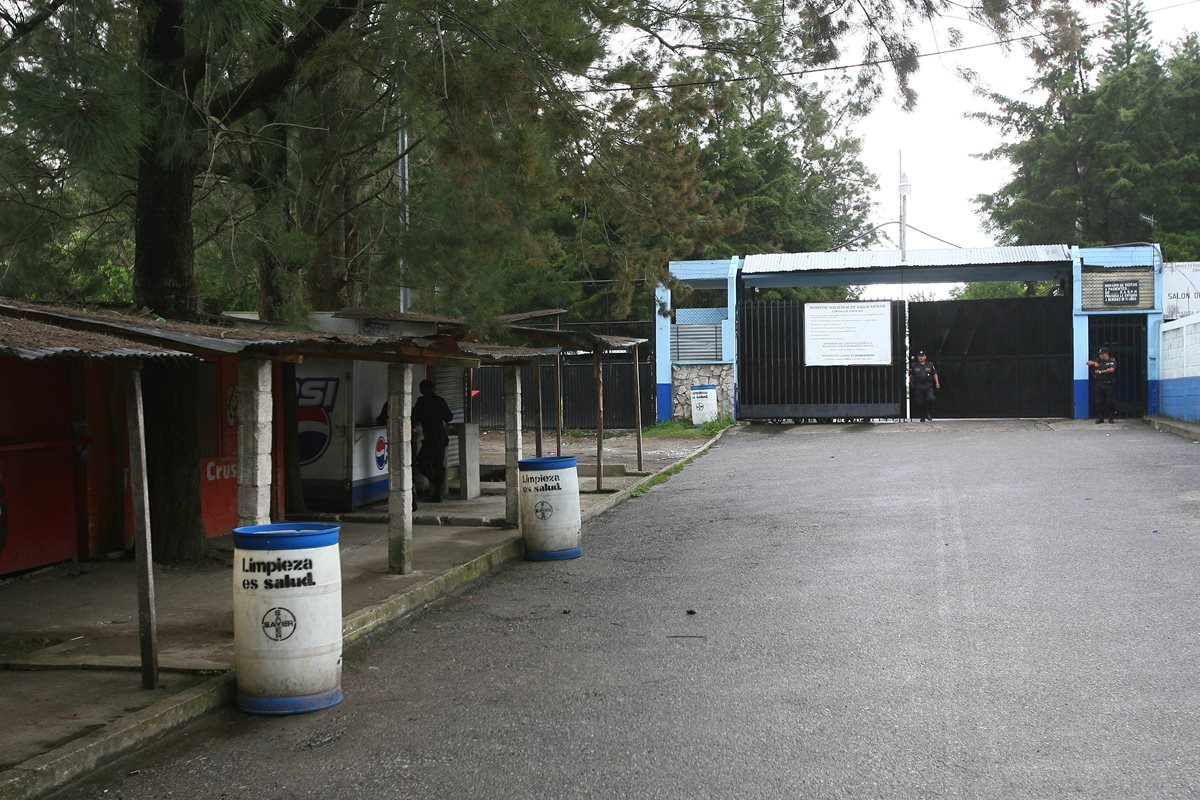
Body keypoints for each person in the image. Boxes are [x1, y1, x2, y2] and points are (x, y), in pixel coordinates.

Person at [412, 379, 453, 501]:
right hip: (441, 438)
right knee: (438, 465)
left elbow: (415, 417)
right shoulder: (440, 400)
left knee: (421, 463)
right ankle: (438, 493)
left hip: (431, 438)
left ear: (422, 390)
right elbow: (449, 417)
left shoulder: (422, 401)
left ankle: (437, 485)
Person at [1086, 347, 1117, 424]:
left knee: (1110, 402)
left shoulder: (1111, 360)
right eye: (1100, 354)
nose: (1100, 356)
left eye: (1101, 354)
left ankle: (1111, 418)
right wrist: (1094, 363)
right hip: (1099, 383)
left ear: (1106, 354)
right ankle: (1100, 418)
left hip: (1109, 384)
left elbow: (1111, 369)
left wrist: (1100, 371)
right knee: (1099, 401)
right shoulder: (1098, 360)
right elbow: (1088, 362)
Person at [909, 350, 940, 422]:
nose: (921, 358)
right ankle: (922, 416)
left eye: (922, 356)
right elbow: (911, 375)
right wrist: (911, 383)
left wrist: (937, 383)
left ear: (925, 357)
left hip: (928, 385)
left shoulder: (930, 364)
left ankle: (928, 412)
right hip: (918, 385)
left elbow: (934, 374)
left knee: (931, 398)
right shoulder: (914, 365)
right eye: (919, 356)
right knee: (920, 401)